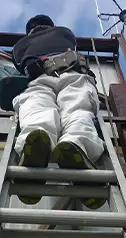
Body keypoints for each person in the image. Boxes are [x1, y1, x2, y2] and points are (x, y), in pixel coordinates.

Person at [11, 14, 105, 208]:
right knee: (78, 110)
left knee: (36, 110)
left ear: (29, 30)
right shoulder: (63, 32)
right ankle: (76, 142)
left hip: (37, 79)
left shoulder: (20, 45)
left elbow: (18, 62)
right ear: (51, 25)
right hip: (72, 72)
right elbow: (71, 42)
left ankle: (36, 140)